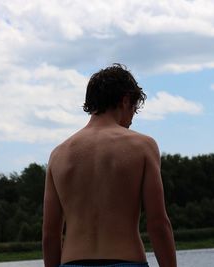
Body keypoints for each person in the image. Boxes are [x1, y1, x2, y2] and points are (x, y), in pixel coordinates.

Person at [42, 64, 177, 267]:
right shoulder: (142, 146)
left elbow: (50, 234)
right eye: (133, 110)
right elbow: (158, 223)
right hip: (126, 261)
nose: (131, 121)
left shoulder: (59, 154)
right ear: (125, 100)